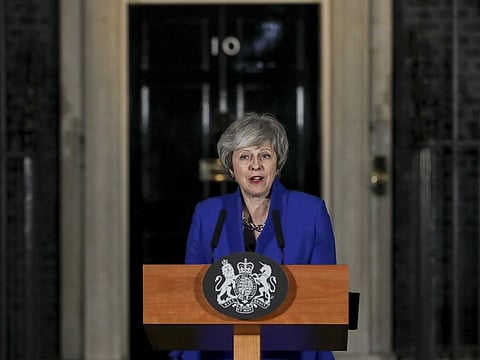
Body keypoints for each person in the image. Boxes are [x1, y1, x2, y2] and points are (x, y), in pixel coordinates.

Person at [170, 112, 337, 360]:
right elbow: (190, 297)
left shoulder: (310, 212)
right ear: (230, 166)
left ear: (277, 164)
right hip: (220, 353)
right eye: (245, 156)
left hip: (292, 354)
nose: (255, 165)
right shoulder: (207, 214)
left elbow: (327, 297)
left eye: (265, 155)